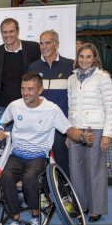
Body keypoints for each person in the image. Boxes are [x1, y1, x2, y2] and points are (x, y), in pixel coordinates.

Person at [0, 72, 93, 225]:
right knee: (5, 177)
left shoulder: (51, 109)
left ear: (40, 90)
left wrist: (82, 137)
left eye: (30, 89)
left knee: (30, 179)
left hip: (38, 156)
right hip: (16, 155)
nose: (25, 93)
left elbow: (69, 130)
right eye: (23, 89)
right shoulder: (15, 105)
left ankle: (35, 217)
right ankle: (16, 220)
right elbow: (1, 121)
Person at [67, 43, 112, 222]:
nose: (84, 60)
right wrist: (69, 132)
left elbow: (110, 106)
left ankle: (96, 208)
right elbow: (71, 105)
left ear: (94, 59)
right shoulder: (72, 79)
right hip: (76, 131)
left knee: (95, 170)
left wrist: (107, 134)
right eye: (81, 57)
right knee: (76, 171)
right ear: (77, 58)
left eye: (88, 57)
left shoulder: (103, 77)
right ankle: (82, 205)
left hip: (96, 128)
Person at [27, 30, 74, 177]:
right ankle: (44, 196)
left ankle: (65, 196)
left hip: (61, 127)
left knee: (63, 165)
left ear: (57, 44)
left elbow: (75, 98)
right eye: (41, 43)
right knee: (38, 165)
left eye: (48, 42)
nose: (44, 46)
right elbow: (29, 97)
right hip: (40, 128)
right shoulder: (33, 67)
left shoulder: (71, 65)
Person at [0, 18, 40, 123]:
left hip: (26, 105)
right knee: (1, 139)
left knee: (26, 138)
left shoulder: (33, 48)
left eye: (11, 31)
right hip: (3, 107)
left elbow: (38, 76)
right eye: (4, 32)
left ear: (17, 31)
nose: (8, 35)